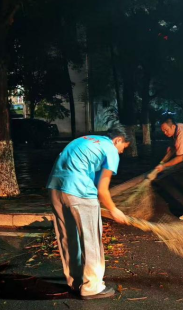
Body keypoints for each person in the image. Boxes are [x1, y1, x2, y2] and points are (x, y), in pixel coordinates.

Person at [47, 125, 130, 300]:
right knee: (91, 239)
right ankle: (92, 287)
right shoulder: (110, 150)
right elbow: (102, 190)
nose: (122, 152)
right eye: (124, 147)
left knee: (68, 237)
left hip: (55, 188)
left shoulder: (87, 140)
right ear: (118, 140)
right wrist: (114, 210)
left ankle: (75, 282)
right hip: (79, 191)